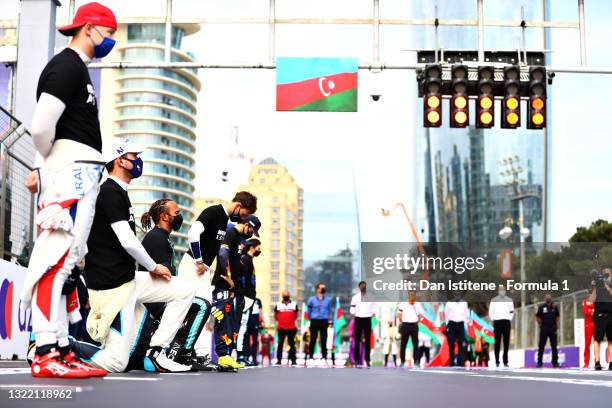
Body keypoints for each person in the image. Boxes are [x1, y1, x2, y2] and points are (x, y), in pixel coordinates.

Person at [20, 2, 117, 378]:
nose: (109, 42)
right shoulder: (67, 66)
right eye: (108, 34)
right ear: (90, 28)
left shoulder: (78, 70)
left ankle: (60, 346)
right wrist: (49, 168)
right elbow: (41, 127)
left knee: (70, 261)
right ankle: (45, 350)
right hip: (69, 170)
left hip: (80, 171)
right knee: (56, 260)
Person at [80, 138, 194, 373]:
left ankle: (156, 353)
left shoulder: (120, 192)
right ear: (120, 160)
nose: (139, 161)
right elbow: (127, 240)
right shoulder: (110, 191)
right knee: (116, 362)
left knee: (184, 290)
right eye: (134, 156)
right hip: (112, 284)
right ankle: (62, 349)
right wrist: (153, 267)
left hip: (127, 280)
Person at [177, 192, 257, 367]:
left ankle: (200, 355)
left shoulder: (224, 220)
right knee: (188, 309)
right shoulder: (213, 212)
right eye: (243, 215)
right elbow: (193, 233)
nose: (242, 219)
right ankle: (175, 351)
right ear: (238, 207)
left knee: (206, 311)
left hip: (202, 269)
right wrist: (199, 260)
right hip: (192, 265)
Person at [138, 199, 213, 371]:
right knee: (202, 306)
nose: (180, 217)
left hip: (160, 296)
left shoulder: (162, 238)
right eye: (177, 213)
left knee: (195, 301)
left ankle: (179, 351)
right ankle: (183, 356)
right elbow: (164, 276)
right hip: (154, 301)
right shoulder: (156, 239)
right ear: (165, 216)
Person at [212, 215, 261, 370]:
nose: (251, 234)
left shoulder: (240, 239)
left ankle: (227, 356)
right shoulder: (231, 233)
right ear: (247, 224)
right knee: (223, 321)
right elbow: (222, 254)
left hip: (235, 290)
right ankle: (222, 356)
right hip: (224, 286)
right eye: (252, 230)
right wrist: (227, 276)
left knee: (233, 324)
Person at [236, 238, 262, 365]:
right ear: (252, 247)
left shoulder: (249, 260)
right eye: (258, 247)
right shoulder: (246, 259)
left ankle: (241, 356)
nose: (259, 250)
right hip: (245, 298)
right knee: (241, 327)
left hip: (249, 298)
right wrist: (242, 296)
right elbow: (241, 279)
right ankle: (239, 356)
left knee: (243, 327)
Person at [589, 268, 612, 371]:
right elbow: (591, 300)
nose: (606, 275)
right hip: (599, 315)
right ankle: (597, 362)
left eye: (608, 273)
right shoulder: (596, 285)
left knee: (611, 340)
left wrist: (606, 285)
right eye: (604, 274)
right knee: (598, 339)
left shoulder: (609, 284)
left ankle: (611, 362)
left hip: (611, 314)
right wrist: (594, 286)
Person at [350, 281, 376, 367]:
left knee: (368, 340)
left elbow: (374, 308)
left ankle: (367, 359)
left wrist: (372, 314)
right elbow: (352, 309)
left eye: (364, 286)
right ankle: (357, 360)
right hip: (358, 319)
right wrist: (355, 315)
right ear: (359, 287)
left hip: (367, 319)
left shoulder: (371, 297)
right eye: (361, 286)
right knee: (357, 340)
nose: (363, 287)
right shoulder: (355, 297)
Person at [306, 283, 332, 365]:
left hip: (324, 321)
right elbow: (309, 311)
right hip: (314, 320)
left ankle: (324, 357)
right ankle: (310, 357)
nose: (323, 289)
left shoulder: (328, 300)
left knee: (324, 340)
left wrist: (325, 317)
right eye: (321, 288)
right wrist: (311, 318)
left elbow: (329, 310)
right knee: (313, 339)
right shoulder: (311, 300)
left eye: (324, 288)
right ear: (317, 289)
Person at [488, 284, 514, 367]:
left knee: (506, 342)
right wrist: (493, 319)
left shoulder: (509, 300)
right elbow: (491, 311)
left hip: (506, 322)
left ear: (505, 290)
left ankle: (505, 361)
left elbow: (512, 311)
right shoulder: (494, 300)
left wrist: (509, 318)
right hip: (497, 322)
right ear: (498, 291)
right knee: (497, 342)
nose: (502, 291)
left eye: (503, 289)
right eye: (500, 289)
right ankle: (497, 361)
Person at [398, 292, 423, 367]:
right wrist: (402, 321)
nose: (412, 296)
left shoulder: (417, 304)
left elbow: (420, 315)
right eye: (410, 294)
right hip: (405, 325)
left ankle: (416, 361)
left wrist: (416, 321)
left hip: (414, 325)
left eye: (413, 294)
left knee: (416, 344)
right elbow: (399, 314)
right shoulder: (403, 303)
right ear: (408, 295)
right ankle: (402, 362)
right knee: (403, 344)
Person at [445, 291, 469, 367]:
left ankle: (460, 361)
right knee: (451, 344)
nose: (457, 295)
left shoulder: (464, 303)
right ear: (453, 294)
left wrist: (464, 323)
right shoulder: (449, 303)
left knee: (461, 344)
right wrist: (447, 325)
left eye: (458, 294)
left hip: (460, 324)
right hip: (452, 324)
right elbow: (446, 314)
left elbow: (466, 314)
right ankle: (452, 362)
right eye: (456, 294)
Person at [274, 290, 299, 365]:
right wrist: (281, 322)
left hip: (291, 328)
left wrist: (290, 322)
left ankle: (293, 360)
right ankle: (279, 360)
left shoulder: (294, 304)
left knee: (292, 344)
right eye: (284, 295)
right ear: (282, 296)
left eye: (287, 295)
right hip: (281, 328)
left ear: (289, 295)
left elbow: (296, 315)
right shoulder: (278, 304)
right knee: (280, 345)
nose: (285, 296)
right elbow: (275, 316)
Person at [536, 293, 560, 368]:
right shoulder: (541, 307)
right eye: (547, 297)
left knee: (554, 346)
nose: (548, 298)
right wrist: (540, 324)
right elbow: (537, 316)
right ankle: (539, 363)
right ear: (545, 298)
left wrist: (556, 325)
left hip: (552, 328)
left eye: (549, 297)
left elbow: (557, 317)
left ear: (551, 298)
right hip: (544, 328)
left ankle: (555, 363)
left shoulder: (555, 307)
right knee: (541, 346)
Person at [245, 298, 263, 365]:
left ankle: (254, 359)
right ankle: (246, 357)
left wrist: (261, 321)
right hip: (247, 320)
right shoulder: (245, 298)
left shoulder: (258, 300)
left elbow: (260, 311)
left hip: (255, 321)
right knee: (246, 341)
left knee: (255, 341)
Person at [582, 294, 595, 368]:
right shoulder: (585, 302)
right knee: (587, 343)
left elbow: (598, 312)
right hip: (588, 325)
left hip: (596, 323)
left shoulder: (596, 302)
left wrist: (591, 311)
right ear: (588, 296)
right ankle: (586, 362)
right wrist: (592, 311)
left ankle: (597, 361)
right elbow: (586, 312)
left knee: (597, 342)